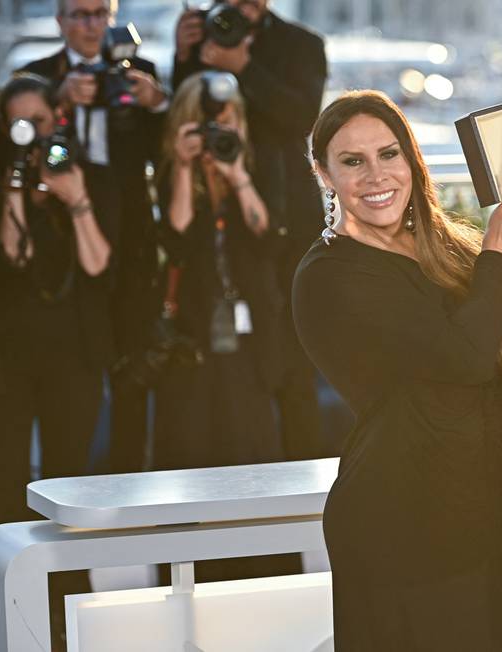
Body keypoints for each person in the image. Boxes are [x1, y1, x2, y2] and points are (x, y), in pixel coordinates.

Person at [292, 90, 502, 651]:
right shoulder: (330, 275)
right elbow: (468, 357)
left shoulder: (436, 244)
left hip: (476, 518)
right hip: (400, 522)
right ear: (324, 175)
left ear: (411, 160)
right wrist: (498, 245)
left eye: (388, 153)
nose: (375, 174)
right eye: (352, 161)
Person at [174, 0, 333, 459]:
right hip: (221, 214)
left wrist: (241, 65)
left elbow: (302, 119)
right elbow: (185, 112)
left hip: (286, 216)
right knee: (229, 360)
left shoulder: (302, 44)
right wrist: (186, 57)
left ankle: (302, 472)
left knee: (293, 352)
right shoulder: (203, 32)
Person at [18, 0, 168, 474]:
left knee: (129, 371)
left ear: (111, 18)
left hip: (128, 233)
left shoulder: (137, 69)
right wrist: (58, 97)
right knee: (71, 370)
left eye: (98, 13)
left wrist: (155, 102)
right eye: (78, 14)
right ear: (60, 21)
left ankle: (126, 487)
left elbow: (162, 151)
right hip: (64, 236)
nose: (89, 24)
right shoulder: (37, 75)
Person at [0, 73, 117, 523]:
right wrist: (14, 183)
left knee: (69, 480)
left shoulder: (95, 179)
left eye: (39, 120)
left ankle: (68, 587)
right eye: (18, 124)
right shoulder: (6, 183)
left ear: (58, 118)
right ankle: (9, 584)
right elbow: (13, 254)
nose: (31, 131)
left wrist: (77, 198)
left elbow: (97, 264)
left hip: (75, 352)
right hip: (10, 355)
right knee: (5, 473)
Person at [152, 70, 284, 471]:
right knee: (194, 434)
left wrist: (238, 175)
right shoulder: (174, 171)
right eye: (207, 125)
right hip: (194, 321)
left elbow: (268, 237)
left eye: (225, 122)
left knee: (249, 431)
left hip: (252, 322)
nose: (216, 134)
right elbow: (176, 239)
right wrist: (182, 167)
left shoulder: (259, 163)